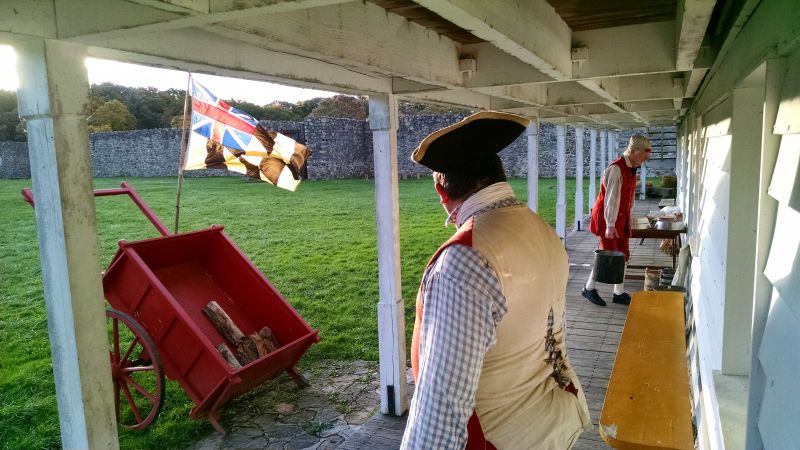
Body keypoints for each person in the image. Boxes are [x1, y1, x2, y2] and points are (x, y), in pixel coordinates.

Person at [401, 111, 591, 450]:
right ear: (498, 175)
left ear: (441, 189)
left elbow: (441, 404)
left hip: (498, 437)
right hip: (553, 422)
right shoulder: (539, 226)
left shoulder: (465, 259)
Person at [581, 135, 652, 306]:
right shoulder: (616, 169)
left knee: (623, 254)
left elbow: (628, 196)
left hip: (620, 217)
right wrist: (610, 224)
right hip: (608, 218)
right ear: (634, 152)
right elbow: (611, 200)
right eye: (644, 154)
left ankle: (618, 292)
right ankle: (588, 289)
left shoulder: (631, 168)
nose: (646, 158)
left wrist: (628, 215)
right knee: (607, 255)